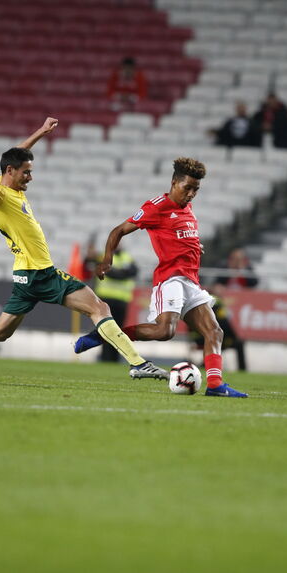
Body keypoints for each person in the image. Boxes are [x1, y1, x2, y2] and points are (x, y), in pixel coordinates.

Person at [0, 118, 167, 380]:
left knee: (0, 332)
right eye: (26, 172)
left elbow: (17, 152)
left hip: (25, 275)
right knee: (99, 308)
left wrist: (41, 132)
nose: (30, 177)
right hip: (41, 273)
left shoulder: (9, 181)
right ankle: (138, 363)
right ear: (10, 171)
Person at [73, 157, 249, 397]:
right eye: (187, 187)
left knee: (215, 332)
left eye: (196, 189)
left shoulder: (188, 208)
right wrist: (107, 260)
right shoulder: (157, 206)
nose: (191, 194)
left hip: (191, 281)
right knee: (165, 331)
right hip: (171, 278)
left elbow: (180, 237)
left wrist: (194, 247)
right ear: (174, 182)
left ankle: (216, 385)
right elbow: (119, 230)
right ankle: (104, 335)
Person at [84, 244, 138, 364]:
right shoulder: (103, 257)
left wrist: (113, 271)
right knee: (107, 330)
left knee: (118, 331)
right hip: (106, 300)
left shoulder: (127, 257)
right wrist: (122, 273)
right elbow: (89, 264)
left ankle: (113, 359)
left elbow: (132, 272)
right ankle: (106, 358)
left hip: (121, 301)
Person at [187, 283, 249, 373]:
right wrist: (234, 336)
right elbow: (224, 323)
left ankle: (205, 364)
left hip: (198, 337)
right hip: (208, 336)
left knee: (219, 342)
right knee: (237, 343)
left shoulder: (198, 301)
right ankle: (242, 369)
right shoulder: (217, 302)